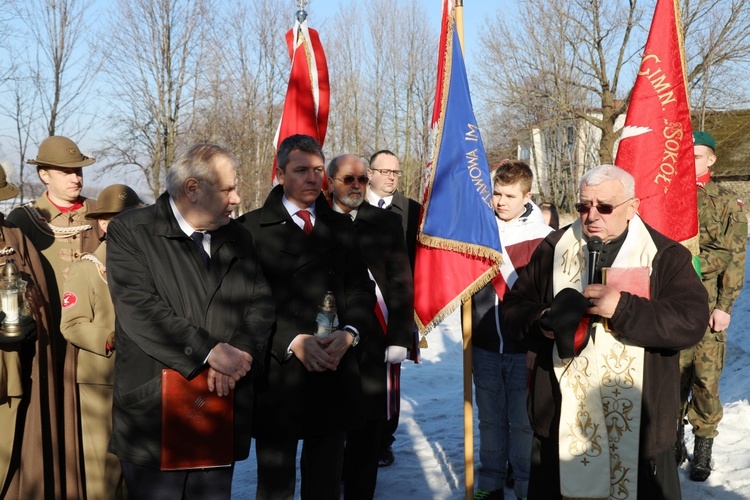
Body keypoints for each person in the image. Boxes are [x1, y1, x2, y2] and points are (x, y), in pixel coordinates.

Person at [502, 165, 708, 499]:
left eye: (605, 206)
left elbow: (690, 322)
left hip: (640, 430)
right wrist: (544, 322)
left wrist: (623, 308)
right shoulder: (555, 248)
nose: (591, 215)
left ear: (633, 207)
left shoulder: (665, 255)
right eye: (584, 206)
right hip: (560, 421)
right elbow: (513, 309)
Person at [106, 144, 274, 498]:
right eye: (229, 189)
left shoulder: (238, 236)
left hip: (220, 405)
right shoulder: (132, 231)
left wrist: (239, 354)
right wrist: (209, 351)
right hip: (155, 414)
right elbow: (140, 309)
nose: (237, 198)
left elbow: (260, 302)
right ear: (193, 189)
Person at [240, 135, 375, 500]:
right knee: (275, 487)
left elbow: (361, 290)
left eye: (318, 170)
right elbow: (242, 303)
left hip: (333, 365)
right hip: (278, 372)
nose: (313, 178)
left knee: (325, 484)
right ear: (280, 174)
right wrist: (292, 340)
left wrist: (349, 333)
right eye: (301, 170)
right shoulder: (249, 230)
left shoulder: (342, 227)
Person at [7, 135, 104, 498]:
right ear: (44, 175)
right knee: (45, 423)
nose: (75, 177)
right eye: (65, 171)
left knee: (93, 433)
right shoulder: (23, 220)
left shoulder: (100, 215)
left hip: (94, 344)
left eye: (77, 170)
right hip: (45, 346)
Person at [327, 154, 414, 499]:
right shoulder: (316, 221)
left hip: (375, 340)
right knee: (332, 431)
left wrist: (399, 337)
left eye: (362, 180)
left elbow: (401, 283)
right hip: (328, 340)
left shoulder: (385, 223)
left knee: (367, 431)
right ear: (330, 181)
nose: (356, 186)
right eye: (348, 180)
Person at [471, 161, 552, 500]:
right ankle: (489, 487)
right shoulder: (476, 231)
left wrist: (536, 344)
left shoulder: (545, 240)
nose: (501, 201)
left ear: (527, 196)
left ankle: (523, 487)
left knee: (521, 424)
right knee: (489, 421)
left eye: (509, 195)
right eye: (497, 193)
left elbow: (549, 298)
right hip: (485, 343)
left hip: (525, 349)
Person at [60, 184, 144, 499]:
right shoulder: (86, 269)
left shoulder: (151, 265)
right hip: (101, 385)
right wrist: (110, 337)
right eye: (120, 218)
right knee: (104, 479)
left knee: (141, 477)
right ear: (103, 224)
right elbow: (72, 323)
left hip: (145, 383)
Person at [677, 131, 747, 481]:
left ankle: (703, 450)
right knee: (671, 377)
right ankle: (672, 442)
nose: (690, 161)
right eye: (685, 155)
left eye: (697, 155)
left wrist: (725, 306)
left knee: (705, 381)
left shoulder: (726, 202)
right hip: (671, 305)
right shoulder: (668, 197)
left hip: (707, 307)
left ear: (712, 160)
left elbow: (735, 257)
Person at [0, 166, 62, 499]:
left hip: (13, 370)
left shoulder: (13, 235)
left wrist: (30, 322)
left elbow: (34, 289)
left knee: (11, 452)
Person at [366, 149, 421, 466]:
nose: (390, 177)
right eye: (384, 171)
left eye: (395, 172)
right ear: (370, 172)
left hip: (396, 308)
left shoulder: (412, 212)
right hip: (360, 307)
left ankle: (385, 439)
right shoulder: (351, 205)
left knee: (391, 379)